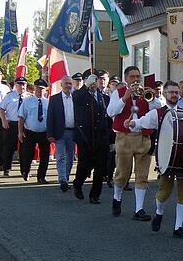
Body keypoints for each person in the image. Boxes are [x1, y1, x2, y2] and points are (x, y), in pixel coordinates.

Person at [127, 81, 183, 238]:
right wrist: (132, 123)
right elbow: (141, 122)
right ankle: (159, 212)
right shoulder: (157, 113)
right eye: (171, 92)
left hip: (182, 158)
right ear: (164, 94)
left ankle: (178, 227)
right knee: (164, 192)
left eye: (176, 92)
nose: (174, 95)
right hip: (165, 158)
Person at [107, 66, 154, 220]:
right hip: (124, 137)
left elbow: (157, 110)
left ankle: (139, 209)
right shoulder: (118, 93)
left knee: (142, 175)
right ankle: (117, 198)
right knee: (122, 173)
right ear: (126, 79)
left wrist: (153, 97)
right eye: (132, 77)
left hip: (143, 137)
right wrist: (124, 98)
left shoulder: (144, 93)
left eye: (137, 76)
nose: (136, 79)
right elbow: (110, 112)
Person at [72, 71, 111, 203]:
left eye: (98, 79)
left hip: (101, 137)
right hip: (86, 137)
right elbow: (76, 98)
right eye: (93, 80)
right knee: (84, 165)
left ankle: (95, 195)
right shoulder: (81, 95)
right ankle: (78, 183)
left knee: (100, 167)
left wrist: (110, 139)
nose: (95, 82)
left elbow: (108, 119)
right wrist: (85, 87)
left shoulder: (104, 97)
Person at [46, 75, 77, 192]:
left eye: (70, 83)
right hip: (60, 132)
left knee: (70, 158)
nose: (68, 85)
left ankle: (66, 177)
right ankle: (62, 180)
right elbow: (50, 117)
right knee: (61, 157)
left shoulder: (76, 98)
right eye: (66, 83)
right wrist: (50, 134)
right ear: (61, 85)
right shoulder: (54, 99)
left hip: (73, 132)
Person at [18, 79, 51, 183]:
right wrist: (20, 132)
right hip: (30, 132)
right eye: (37, 88)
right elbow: (21, 117)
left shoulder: (48, 102)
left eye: (41, 89)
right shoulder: (27, 101)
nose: (39, 90)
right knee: (28, 155)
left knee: (44, 156)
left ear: (45, 90)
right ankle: (26, 171)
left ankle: (41, 176)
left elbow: (51, 119)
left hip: (44, 133)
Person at [0, 77, 28, 177]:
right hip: (12, 124)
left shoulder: (29, 97)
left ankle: (24, 170)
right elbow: (1, 109)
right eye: (20, 84)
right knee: (9, 148)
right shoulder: (9, 96)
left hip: (24, 125)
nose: (22, 86)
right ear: (16, 85)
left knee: (24, 149)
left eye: (23, 84)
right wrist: (4, 120)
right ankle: (6, 168)